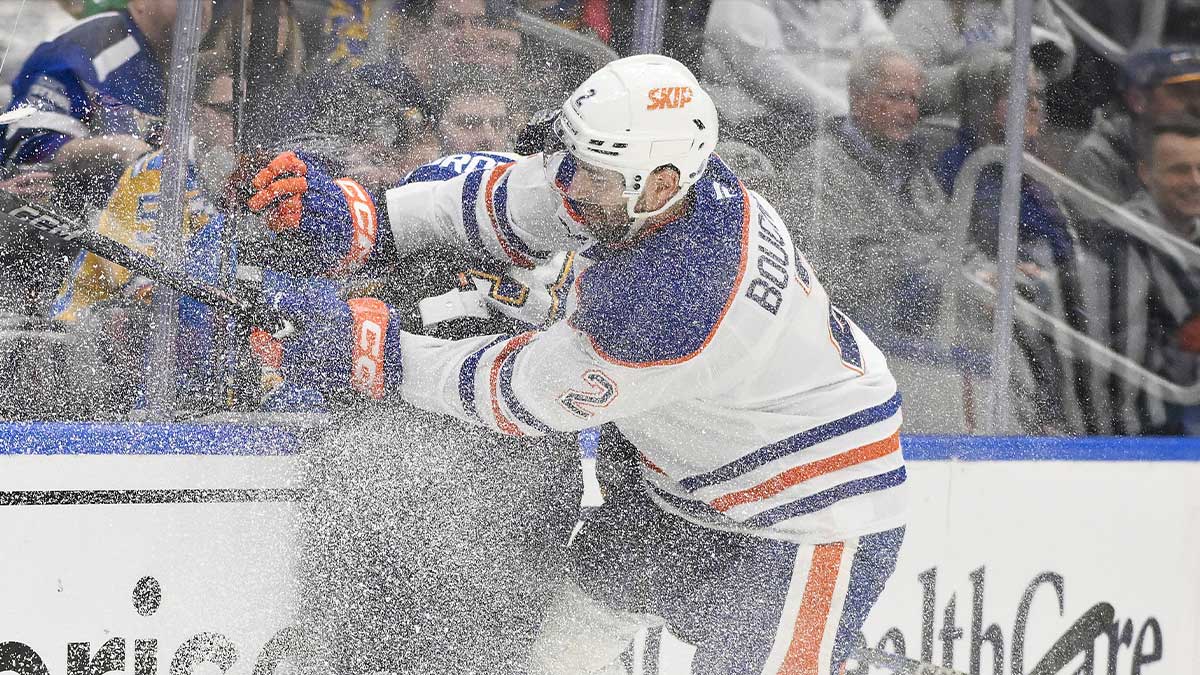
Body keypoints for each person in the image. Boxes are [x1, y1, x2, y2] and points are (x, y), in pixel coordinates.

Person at [242, 53, 906, 674]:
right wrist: (368, 217)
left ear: (662, 184)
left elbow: (517, 393)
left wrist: (372, 349)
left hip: (812, 509)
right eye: (580, 161)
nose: (574, 184)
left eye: (594, 175)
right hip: (689, 466)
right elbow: (505, 202)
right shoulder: (648, 183)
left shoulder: (670, 296)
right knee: (585, 611)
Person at [0, 0, 211, 207]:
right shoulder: (86, 48)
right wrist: (119, 149)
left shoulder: (202, 70)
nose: (198, 5)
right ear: (140, 3)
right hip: (61, 230)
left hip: (140, 229)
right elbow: (27, 151)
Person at [700, 0, 894, 164]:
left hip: (841, 114)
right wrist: (846, 111)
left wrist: (881, 102)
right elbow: (764, 70)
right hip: (760, 120)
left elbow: (885, 54)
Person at [1104, 115, 1200, 436]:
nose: (1195, 181)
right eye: (1179, 170)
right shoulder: (1122, 238)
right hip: (1141, 428)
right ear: (1147, 173)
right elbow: (1125, 354)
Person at [1066, 46, 1200, 208]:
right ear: (1137, 99)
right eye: (1182, 92)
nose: (1196, 104)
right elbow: (1100, 231)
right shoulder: (1098, 157)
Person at [890, 0, 1076, 115]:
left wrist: (1047, 56)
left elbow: (1066, 60)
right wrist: (971, 75)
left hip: (1018, 125)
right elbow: (899, 89)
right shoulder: (925, 8)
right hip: (950, 129)